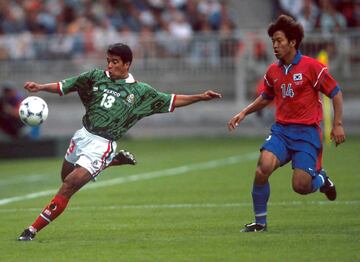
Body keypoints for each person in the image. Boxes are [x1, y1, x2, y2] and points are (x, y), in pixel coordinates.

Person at [18, 43, 222, 241]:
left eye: (115, 61)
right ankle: (112, 162)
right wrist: (41, 87)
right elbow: (65, 85)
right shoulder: (94, 77)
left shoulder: (141, 92)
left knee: (69, 186)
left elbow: (172, 100)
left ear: (127, 64)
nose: (110, 65)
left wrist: (201, 97)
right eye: (108, 61)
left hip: (102, 145)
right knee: (65, 177)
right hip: (82, 135)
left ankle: (31, 230)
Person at [228, 15, 345, 232]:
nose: (275, 45)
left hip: (307, 134)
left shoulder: (312, 67)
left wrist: (337, 124)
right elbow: (266, 97)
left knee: (300, 186)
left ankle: (322, 179)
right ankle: (260, 223)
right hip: (281, 131)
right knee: (262, 167)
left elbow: (336, 93)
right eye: (273, 41)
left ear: (292, 42)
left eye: (279, 40)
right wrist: (243, 112)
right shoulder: (273, 70)